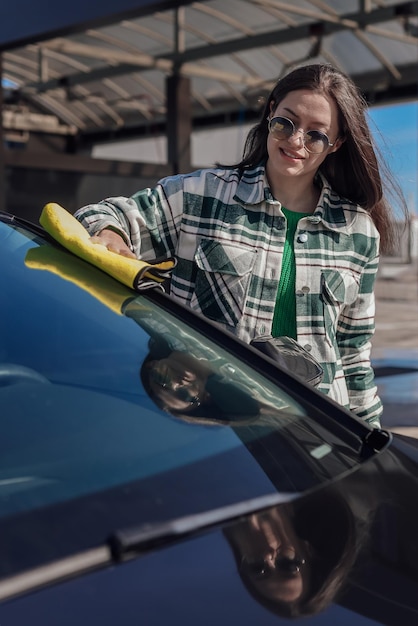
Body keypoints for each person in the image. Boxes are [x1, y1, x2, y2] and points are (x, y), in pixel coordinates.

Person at [74, 63, 407, 427]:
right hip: (214, 419)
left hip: (318, 427)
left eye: (316, 135)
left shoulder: (357, 230)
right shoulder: (201, 195)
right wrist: (112, 236)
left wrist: (370, 434)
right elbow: (101, 214)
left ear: (336, 144)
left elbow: (354, 354)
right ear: (271, 112)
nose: (295, 140)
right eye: (287, 122)